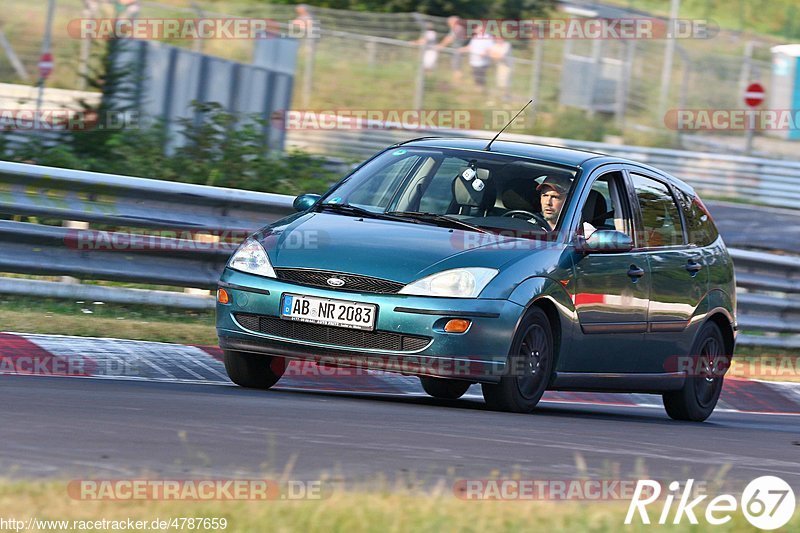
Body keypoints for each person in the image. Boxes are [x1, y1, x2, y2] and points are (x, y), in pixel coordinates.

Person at [460, 23, 494, 93]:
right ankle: (478, 90)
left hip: (483, 62)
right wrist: (462, 49)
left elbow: (490, 48)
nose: (476, 30)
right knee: (475, 76)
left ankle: (482, 91)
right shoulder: (475, 37)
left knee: (481, 77)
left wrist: (485, 53)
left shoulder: (488, 37)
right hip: (474, 61)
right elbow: (471, 47)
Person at [437, 16, 467, 82]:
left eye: (450, 23)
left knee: (456, 67)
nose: (449, 24)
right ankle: (457, 81)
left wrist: (441, 46)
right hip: (456, 50)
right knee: (456, 67)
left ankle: (458, 82)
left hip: (457, 51)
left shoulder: (457, 28)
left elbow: (450, 38)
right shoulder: (459, 28)